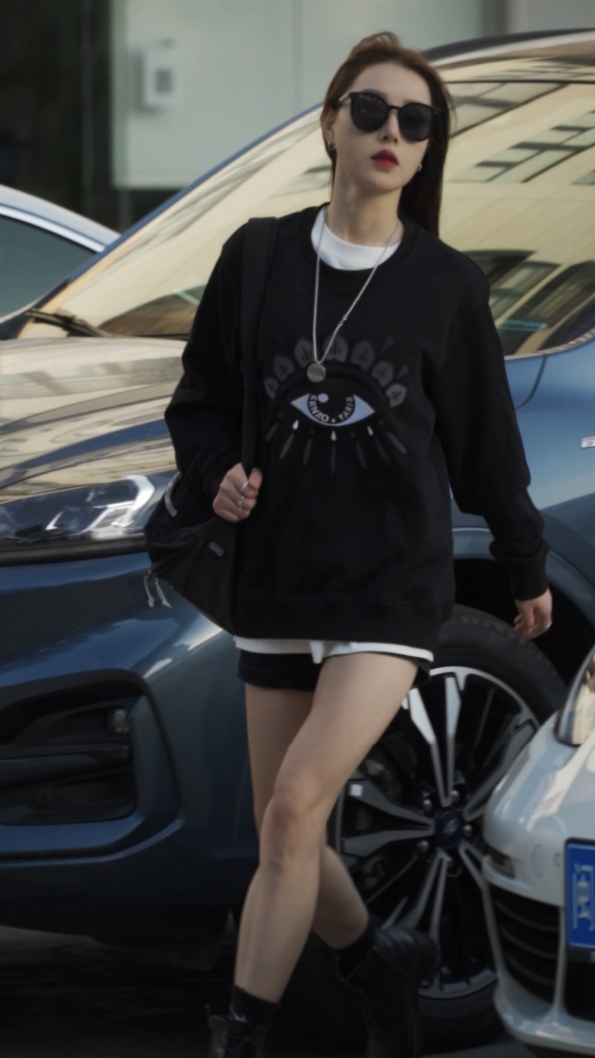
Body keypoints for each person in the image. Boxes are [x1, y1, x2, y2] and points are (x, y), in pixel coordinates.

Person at [164, 30, 553, 1058]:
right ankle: (378, 956)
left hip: (388, 583)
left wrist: (523, 567)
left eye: (415, 122)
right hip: (278, 577)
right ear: (331, 123)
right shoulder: (257, 255)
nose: (392, 133)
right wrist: (218, 473)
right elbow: (199, 403)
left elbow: (485, 444)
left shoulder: (446, 284)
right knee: (282, 829)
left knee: (297, 806)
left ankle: (242, 1041)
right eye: (371, 111)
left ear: (426, 152)